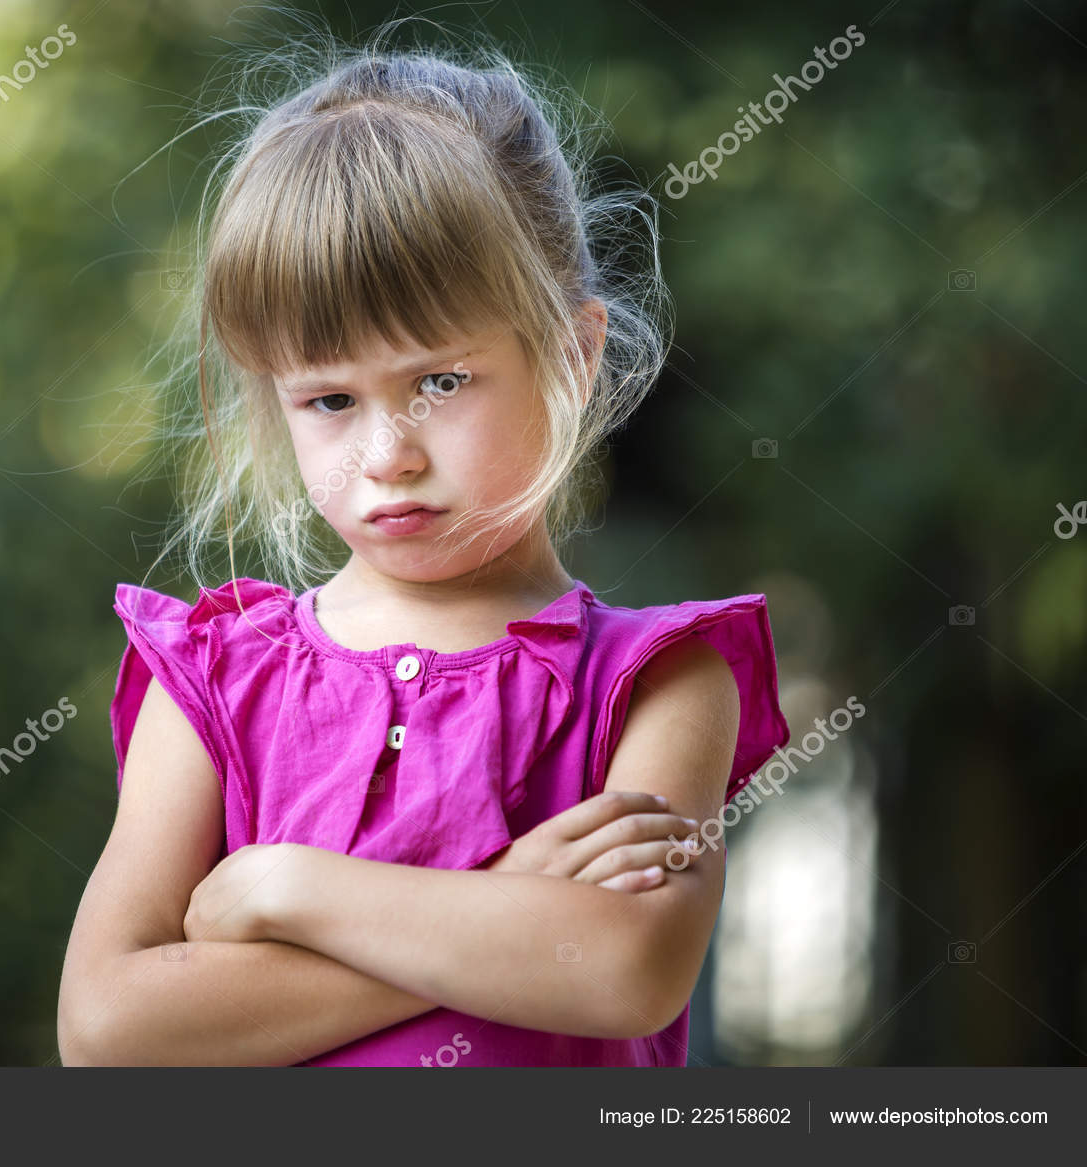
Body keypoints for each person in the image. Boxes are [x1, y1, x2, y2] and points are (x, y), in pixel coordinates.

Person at [58, 36, 789, 1067]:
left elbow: (618, 970)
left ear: (571, 357)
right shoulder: (214, 681)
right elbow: (107, 1028)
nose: (387, 455)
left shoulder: (661, 682)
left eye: (440, 383)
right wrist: (503, 911)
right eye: (329, 400)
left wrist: (282, 891)